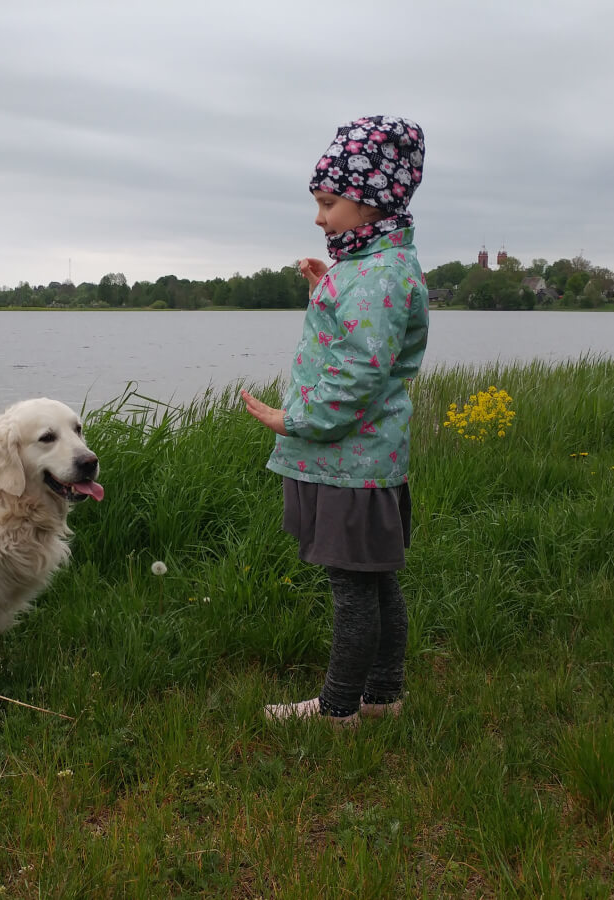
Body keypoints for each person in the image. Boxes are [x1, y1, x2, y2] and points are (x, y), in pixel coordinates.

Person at [240, 115, 429, 728]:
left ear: (370, 204)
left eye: (328, 203)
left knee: (354, 591)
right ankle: (383, 697)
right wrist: (328, 287)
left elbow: (358, 373)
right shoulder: (372, 268)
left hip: (352, 461)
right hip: (365, 460)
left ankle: (339, 710)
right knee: (376, 583)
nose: (319, 218)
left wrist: (292, 419)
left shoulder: (377, 275)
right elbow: (362, 334)